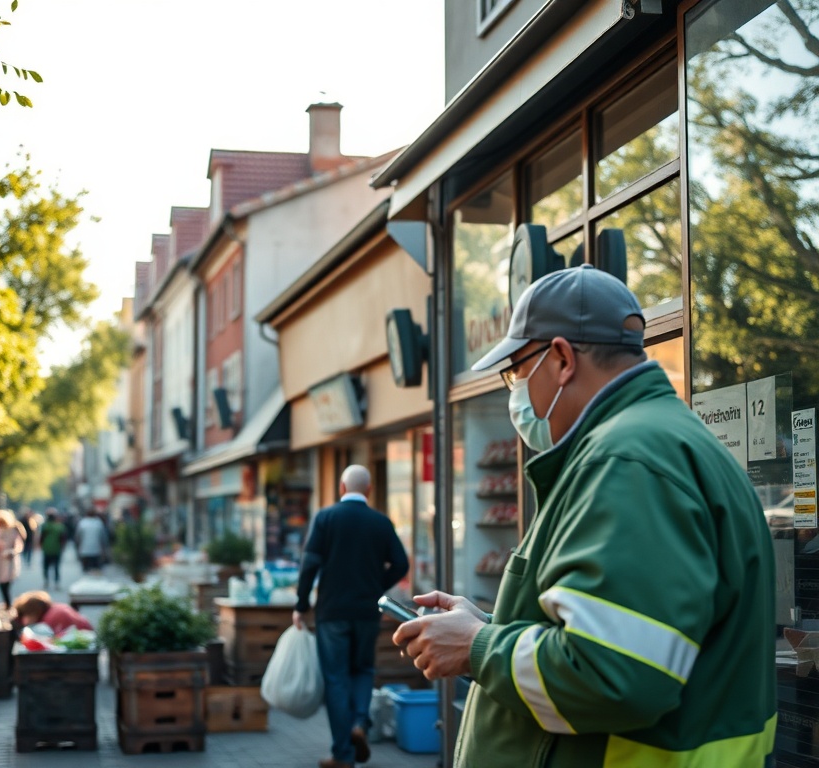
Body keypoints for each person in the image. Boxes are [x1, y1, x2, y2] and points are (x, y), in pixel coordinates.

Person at [394, 265, 776, 766]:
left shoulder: (627, 458)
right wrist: (489, 626)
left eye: (516, 371)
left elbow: (616, 675)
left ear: (561, 358)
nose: (515, 390)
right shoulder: (661, 441)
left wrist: (479, 646)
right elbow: (624, 636)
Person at [293, 465, 409, 768]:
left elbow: (309, 564)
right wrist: (375, 587)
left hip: (331, 612)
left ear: (341, 489)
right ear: (368, 491)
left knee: (336, 679)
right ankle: (360, 722)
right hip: (367, 612)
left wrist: (301, 603)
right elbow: (400, 563)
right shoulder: (381, 522)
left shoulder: (326, 518)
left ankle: (342, 754)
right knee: (363, 670)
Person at [0, 508, 26, 608]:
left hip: (9, 559)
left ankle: (8, 602)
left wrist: (12, 552)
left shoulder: (13, 530)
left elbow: (18, 544)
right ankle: (7, 602)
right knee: (0, 582)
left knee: (7, 581)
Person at [12, 590, 93, 634]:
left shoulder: (50, 619)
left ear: (30, 612)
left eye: (22, 615)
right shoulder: (54, 608)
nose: (22, 622)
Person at [39, 508, 67, 590]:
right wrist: (62, 548)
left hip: (47, 549)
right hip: (57, 549)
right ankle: (57, 583)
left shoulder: (45, 526)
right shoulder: (60, 527)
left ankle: (46, 581)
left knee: (46, 567)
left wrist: (41, 545)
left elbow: (41, 538)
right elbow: (63, 539)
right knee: (56, 567)